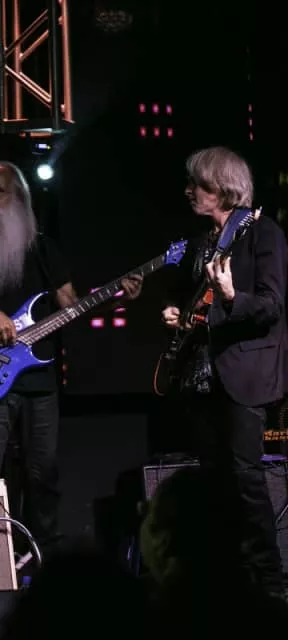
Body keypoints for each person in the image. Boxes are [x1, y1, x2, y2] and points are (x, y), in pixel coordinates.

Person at [0, 161, 142, 551]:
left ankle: (43, 557)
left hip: (39, 382)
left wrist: (115, 299)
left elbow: (71, 307)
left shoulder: (43, 250)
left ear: (19, 198)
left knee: (43, 476)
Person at [159, 146, 287, 599]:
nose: (189, 191)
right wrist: (177, 312)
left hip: (244, 372)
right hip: (202, 375)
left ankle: (270, 585)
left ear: (223, 186)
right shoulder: (201, 241)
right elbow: (193, 301)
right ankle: (228, 582)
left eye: (197, 183)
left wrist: (232, 297)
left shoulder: (262, 233)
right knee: (214, 480)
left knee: (245, 478)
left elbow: (271, 306)